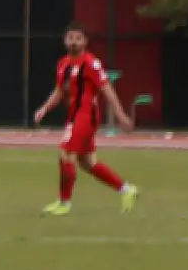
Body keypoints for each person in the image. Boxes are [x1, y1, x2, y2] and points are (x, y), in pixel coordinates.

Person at [33, 23, 139, 216]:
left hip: (86, 115)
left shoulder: (91, 63)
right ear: (65, 40)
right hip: (74, 115)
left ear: (85, 41)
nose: (73, 42)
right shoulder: (63, 64)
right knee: (87, 163)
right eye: (70, 38)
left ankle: (64, 203)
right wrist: (44, 109)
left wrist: (120, 115)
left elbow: (107, 89)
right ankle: (127, 189)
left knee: (66, 155)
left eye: (78, 38)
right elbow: (59, 91)